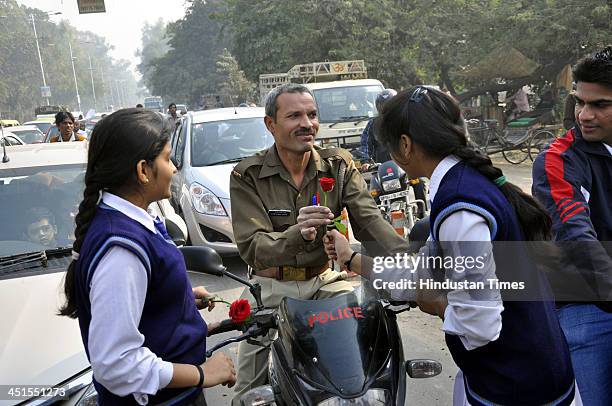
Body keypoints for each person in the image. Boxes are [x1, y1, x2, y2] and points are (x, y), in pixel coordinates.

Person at [326, 86, 578, 406]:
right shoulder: (463, 184)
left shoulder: (460, 208)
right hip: (527, 369)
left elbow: (478, 322)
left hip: (517, 385)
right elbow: (421, 270)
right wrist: (352, 258)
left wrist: (435, 302)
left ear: (405, 145)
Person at [229, 83, 409, 405]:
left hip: (326, 281)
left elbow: (370, 222)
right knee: (248, 395)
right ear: (271, 124)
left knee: (361, 367)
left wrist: (406, 261)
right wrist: (298, 234)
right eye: (294, 116)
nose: (307, 124)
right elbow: (253, 247)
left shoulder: (338, 165)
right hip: (272, 289)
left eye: (312, 115)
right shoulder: (248, 175)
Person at [59, 108, 236, 405]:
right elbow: (116, 364)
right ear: (143, 170)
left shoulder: (135, 218)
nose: (174, 168)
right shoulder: (121, 248)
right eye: (167, 159)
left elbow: (138, 302)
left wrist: (175, 297)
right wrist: (203, 373)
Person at [532, 46, 612, 406]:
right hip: (587, 305)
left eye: (600, 105)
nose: (585, 115)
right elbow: (575, 233)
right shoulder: (558, 159)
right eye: (580, 102)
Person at [359, 88, 396, 167]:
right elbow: (365, 143)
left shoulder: (405, 120)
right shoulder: (373, 124)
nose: (386, 108)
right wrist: (366, 161)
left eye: (389, 105)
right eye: (383, 105)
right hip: (381, 167)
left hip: (404, 166)